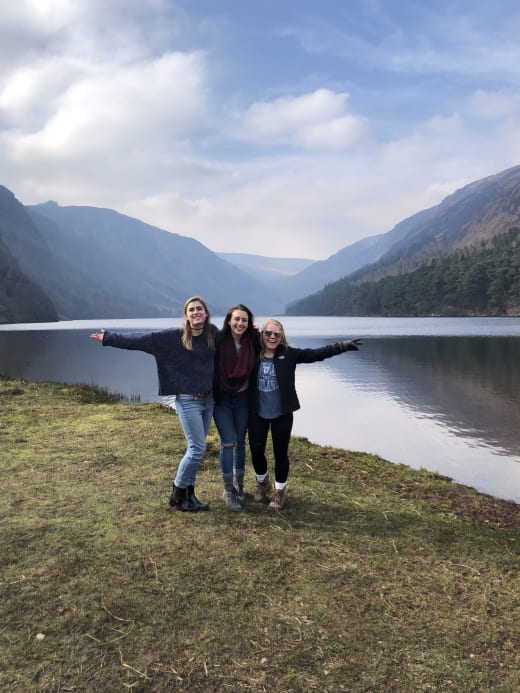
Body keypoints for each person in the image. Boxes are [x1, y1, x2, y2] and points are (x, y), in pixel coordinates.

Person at [90, 296, 218, 512]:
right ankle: (177, 493)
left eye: (200, 309)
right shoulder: (172, 337)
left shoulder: (213, 334)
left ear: (206, 313)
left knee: (195, 448)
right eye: (192, 309)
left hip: (209, 400)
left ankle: (190, 495)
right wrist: (110, 338)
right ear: (186, 315)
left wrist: (252, 333)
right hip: (188, 400)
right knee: (197, 448)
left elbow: (237, 341)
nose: (196, 312)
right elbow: (141, 339)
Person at [248, 318, 362, 512]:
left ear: (282, 336)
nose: (272, 337)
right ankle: (262, 482)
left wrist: (342, 346)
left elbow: (316, 354)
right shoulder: (251, 353)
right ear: (262, 335)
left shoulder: (289, 354)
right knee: (256, 452)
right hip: (256, 412)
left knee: (280, 454)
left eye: (277, 334)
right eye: (268, 333)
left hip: (282, 413)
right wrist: (248, 331)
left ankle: (279, 493)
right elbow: (232, 341)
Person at [213, 304, 260, 511]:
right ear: (229, 320)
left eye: (244, 320)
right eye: (237, 319)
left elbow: (274, 344)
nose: (240, 323)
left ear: (249, 323)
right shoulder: (217, 340)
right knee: (228, 442)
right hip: (222, 399)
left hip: (243, 399)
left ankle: (239, 486)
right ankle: (228, 490)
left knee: (241, 442)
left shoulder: (254, 342)